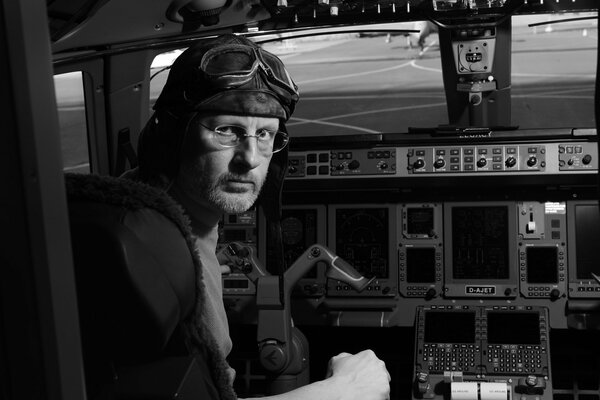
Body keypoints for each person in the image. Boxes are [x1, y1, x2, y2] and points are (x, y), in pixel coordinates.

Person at [125, 33, 391, 400]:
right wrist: (343, 390)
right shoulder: (148, 249)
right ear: (172, 136)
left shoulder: (166, 224)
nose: (250, 158)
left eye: (265, 133)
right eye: (227, 131)